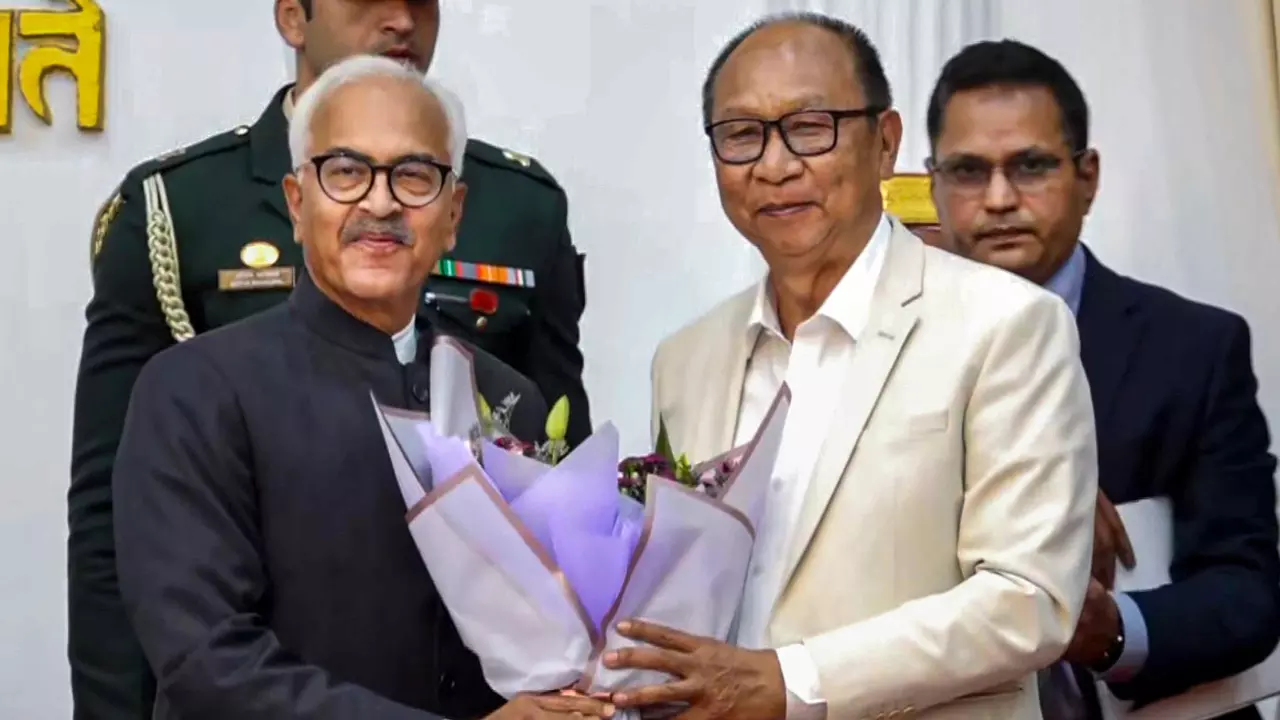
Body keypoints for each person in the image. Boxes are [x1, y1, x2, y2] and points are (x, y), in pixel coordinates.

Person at [69, 2, 590, 717]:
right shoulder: (197, 390)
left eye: (414, 176)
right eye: (345, 172)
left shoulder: (509, 399)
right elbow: (206, 659)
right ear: (296, 200)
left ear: (454, 212)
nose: (379, 203)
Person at [605, 13, 1097, 720]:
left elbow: (1027, 601)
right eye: (742, 135)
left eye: (810, 126)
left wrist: (792, 681)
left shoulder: (1007, 325)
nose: (775, 166)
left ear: (886, 142)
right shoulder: (685, 359)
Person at [925, 39, 1280, 720]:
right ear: (933, 183)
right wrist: (1040, 495)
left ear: (1088, 176)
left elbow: (1246, 594)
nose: (998, 198)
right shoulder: (877, 348)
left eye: (1030, 166)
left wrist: (1110, 629)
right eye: (968, 171)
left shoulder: (1196, 347)